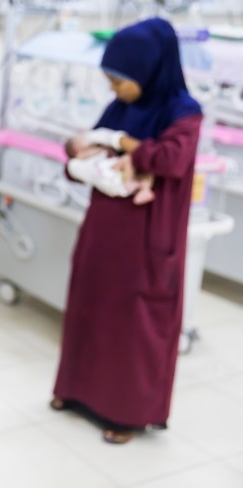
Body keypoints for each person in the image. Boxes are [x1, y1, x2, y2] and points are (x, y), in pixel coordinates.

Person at [51, 18, 203, 444]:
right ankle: (75, 391)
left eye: (120, 80)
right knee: (89, 309)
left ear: (150, 69)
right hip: (104, 230)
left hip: (147, 238)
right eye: (110, 79)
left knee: (133, 324)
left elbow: (171, 160)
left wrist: (125, 144)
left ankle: (127, 412)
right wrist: (83, 161)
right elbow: (89, 145)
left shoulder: (183, 112)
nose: (114, 88)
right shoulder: (120, 107)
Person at [65, 134, 155, 205]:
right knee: (129, 159)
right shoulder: (79, 158)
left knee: (146, 171)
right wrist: (98, 148)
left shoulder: (84, 163)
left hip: (117, 181)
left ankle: (144, 191)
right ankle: (139, 187)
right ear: (76, 149)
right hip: (112, 176)